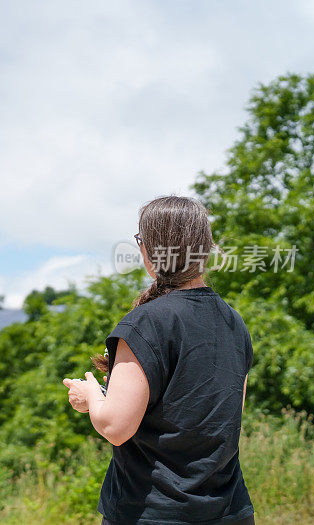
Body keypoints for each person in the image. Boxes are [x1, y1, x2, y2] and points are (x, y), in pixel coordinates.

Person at [63, 195, 255, 524]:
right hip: (228, 511)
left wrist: (91, 394)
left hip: (154, 512)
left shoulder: (146, 322)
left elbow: (115, 426)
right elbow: (222, 416)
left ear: (150, 250)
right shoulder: (233, 321)